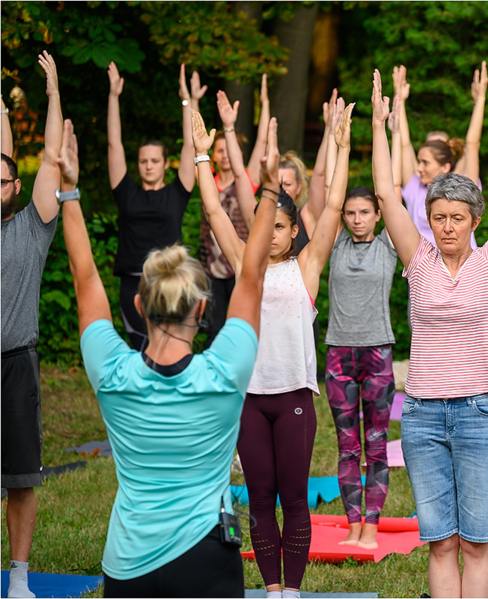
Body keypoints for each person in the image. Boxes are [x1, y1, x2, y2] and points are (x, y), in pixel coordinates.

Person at [62, 109, 278, 597]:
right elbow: (251, 277)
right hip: (206, 558)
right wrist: (267, 191)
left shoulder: (112, 374)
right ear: (202, 310)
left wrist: (69, 191)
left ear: (138, 305)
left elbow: (85, 278)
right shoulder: (224, 374)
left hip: (128, 562)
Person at [372, 67, 488, 598]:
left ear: (473, 221)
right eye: (439, 216)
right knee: (440, 542)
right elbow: (384, 192)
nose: (447, 225)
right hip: (422, 414)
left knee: (476, 542)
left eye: (457, 217)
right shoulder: (417, 259)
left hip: (480, 412)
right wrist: (381, 123)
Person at [197, 102, 354, 598]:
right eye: (272, 228)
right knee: (260, 498)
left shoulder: (305, 270)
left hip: (294, 399)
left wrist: (342, 144)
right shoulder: (247, 269)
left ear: (292, 233)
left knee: (295, 498)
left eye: (285, 229)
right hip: (249, 398)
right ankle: (270, 589)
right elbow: (214, 211)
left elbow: (331, 209)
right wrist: (205, 159)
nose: (276, 236)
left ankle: (294, 590)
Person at [1, 51, 62, 599]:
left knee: (20, 478)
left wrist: (51, 90)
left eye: (1, 181)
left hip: (16, 366)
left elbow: (49, 157)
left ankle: (18, 577)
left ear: (14, 189)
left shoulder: (32, 229)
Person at [107, 61, 203, 349]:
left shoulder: (178, 191)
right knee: (139, 349)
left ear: (165, 163)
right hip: (133, 283)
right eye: (143, 161)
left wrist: (188, 100)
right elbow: (114, 144)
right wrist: (113, 97)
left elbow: (191, 145)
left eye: (155, 161)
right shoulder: (126, 192)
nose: (149, 166)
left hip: (169, 281)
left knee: (171, 347)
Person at [324, 186, 398, 549]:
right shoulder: (335, 244)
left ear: (378, 215)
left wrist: (390, 131)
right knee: (347, 446)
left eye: (365, 213)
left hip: (378, 353)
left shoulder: (388, 245)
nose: (357, 220)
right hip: (339, 355)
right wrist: (337, 138)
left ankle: (371, 525)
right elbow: (328, 192)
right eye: (351, 213)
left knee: (376, 444)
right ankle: (352, 524)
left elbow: (391, 189)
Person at [200, 76, 270, 347]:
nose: (225, 155)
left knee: (240, 320)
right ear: (214, 156)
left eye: (228, 150)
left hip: (239, 263)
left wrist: (264, 105)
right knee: (214, 327)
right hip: (211, 265)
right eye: (218, 151)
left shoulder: (247, 181)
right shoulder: (207, 180)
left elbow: (262, 140)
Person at [393, 63, 486, 247]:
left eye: (426, 163)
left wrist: (481, 99)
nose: (419, 168)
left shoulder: (464, 188)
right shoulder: (414, 188)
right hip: (426, 271)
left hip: (463, 271)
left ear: (445, 166)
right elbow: (404, 145)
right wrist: (400, 100)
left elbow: (472, 145)